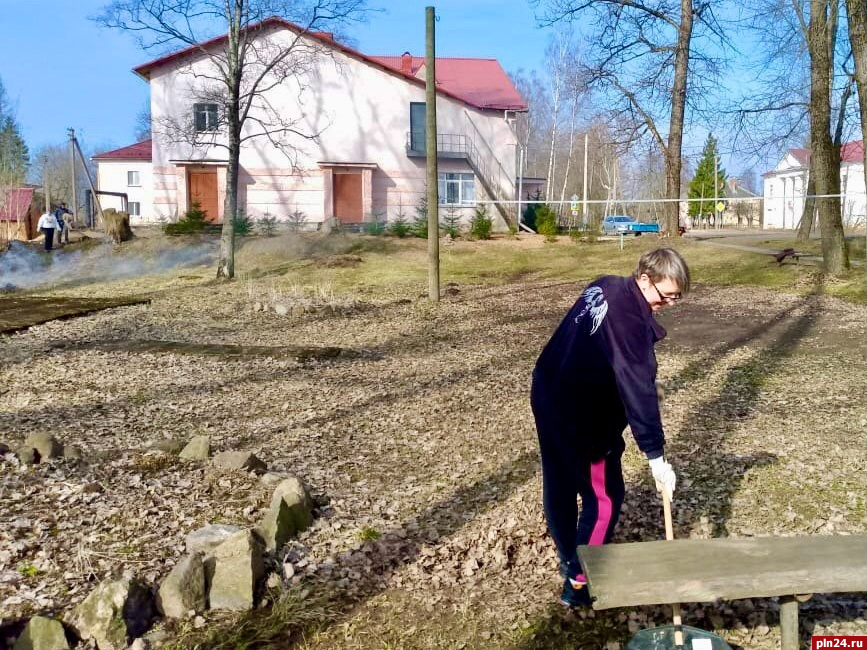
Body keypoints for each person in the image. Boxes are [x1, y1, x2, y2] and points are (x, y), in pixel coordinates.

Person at [531, 247, 690, 608]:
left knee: (559, 482)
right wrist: (655, 456)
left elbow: (597, 352)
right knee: (604, 497)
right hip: (582, 415)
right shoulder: (628, 320)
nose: (669, 304)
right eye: (666, 295)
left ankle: (569, 559)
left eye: (677, 298)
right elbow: (635, 382)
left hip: (548, 390)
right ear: (645, 278)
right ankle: (579, 581)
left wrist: (642, 388)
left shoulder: (606, 284)